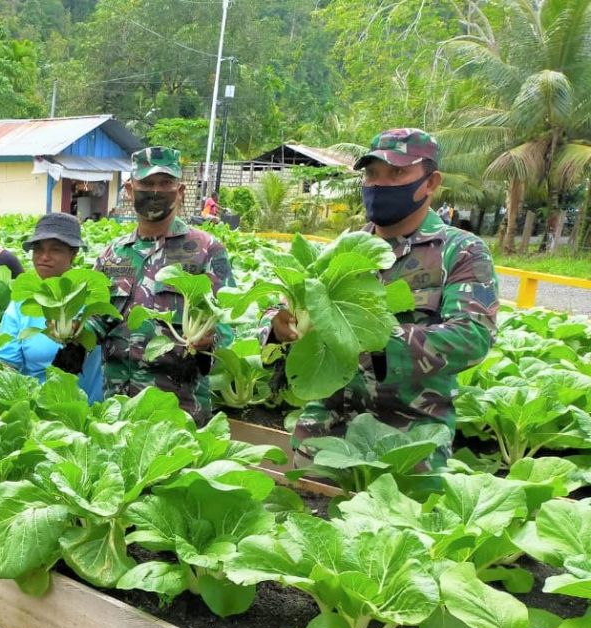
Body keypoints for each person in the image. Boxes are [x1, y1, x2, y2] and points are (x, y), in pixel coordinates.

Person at [268, 128, 498, 466]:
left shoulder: (461, 252)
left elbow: (472, 337)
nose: (380, 184)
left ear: (431, 182)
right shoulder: (342, 249)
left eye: (398, 173)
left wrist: (371, 337)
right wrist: (276, 325)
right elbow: (289, 306)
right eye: (372, 173)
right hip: (324, 432)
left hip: (410, 438)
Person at [71, 146, 234, 425]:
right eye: (146, 183)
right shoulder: (113, 254)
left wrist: (211, 343)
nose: (156, 191)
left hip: (180, 412)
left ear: (180, 192)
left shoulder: (206, 250)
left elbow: (230, 322)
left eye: (166, 183)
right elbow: (99, 317)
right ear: (129, 190)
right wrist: (76, 334)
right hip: (117, 409)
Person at [0, 213, 104, 402]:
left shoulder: (92, 297)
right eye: (38, 249)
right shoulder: (21, 303)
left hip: (87, 414)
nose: (44, 257)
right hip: (37, 413)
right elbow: (7, 364)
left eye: (55, 249)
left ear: (74, 253)